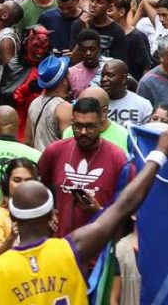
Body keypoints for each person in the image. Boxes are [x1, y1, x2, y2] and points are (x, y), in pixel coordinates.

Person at [0, 126, 168, 305]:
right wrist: (160, 152)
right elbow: (124, 205)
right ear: (51, 215)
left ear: (13, 216)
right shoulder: (72, 249)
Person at [36, 95, 128, 238]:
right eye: (78, 126)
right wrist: (47, 211)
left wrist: (99, 211)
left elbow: (128, 209)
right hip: (61, 248)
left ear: (101, 124)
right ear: (72, 122)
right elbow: (36, 187)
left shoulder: (118, 159)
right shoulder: (55, 151)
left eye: (90, 126)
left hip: (98, 250)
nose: (83, 132)